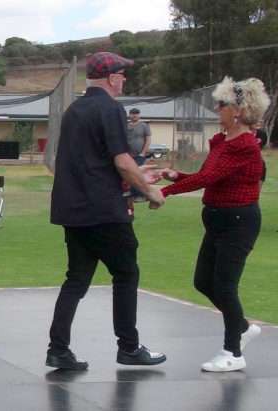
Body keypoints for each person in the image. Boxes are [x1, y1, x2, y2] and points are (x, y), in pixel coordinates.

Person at [45, 52, 168, 371]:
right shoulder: (111, 108)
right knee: (126, 273)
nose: (124, 79)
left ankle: (58, 349)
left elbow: (95, 162)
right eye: (122, 74)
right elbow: (121, 161)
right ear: (112, 77)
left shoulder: (75, 110)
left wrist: (140, 176)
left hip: (73, 210)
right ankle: (128, 347)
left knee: (76, 279)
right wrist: (150, 189)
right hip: (103, 211)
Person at [158, 77, 269, 372]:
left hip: (239, 221)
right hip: (218, 220)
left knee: (225, 285)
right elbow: (209, 176)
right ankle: (243, 327)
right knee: (203, 282)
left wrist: (164, 192)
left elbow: (207, 178)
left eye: (221, 105)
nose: (216, 109)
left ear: (238, 111)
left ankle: (233, 351)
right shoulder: (222, 141)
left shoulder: (244, 145)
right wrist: (176, 177)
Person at [126, 108, 152, 200]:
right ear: (129, 115)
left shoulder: (144, 125)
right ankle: (132, 193)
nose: (134, 115)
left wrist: (143, 153)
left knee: (138, 174)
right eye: (132, 113)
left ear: (139, 115)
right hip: (128, 155)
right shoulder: (126, 125)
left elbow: (148, 139)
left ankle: (139, 194)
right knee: (129, 174)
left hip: (140, 155)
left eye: (136, 113)